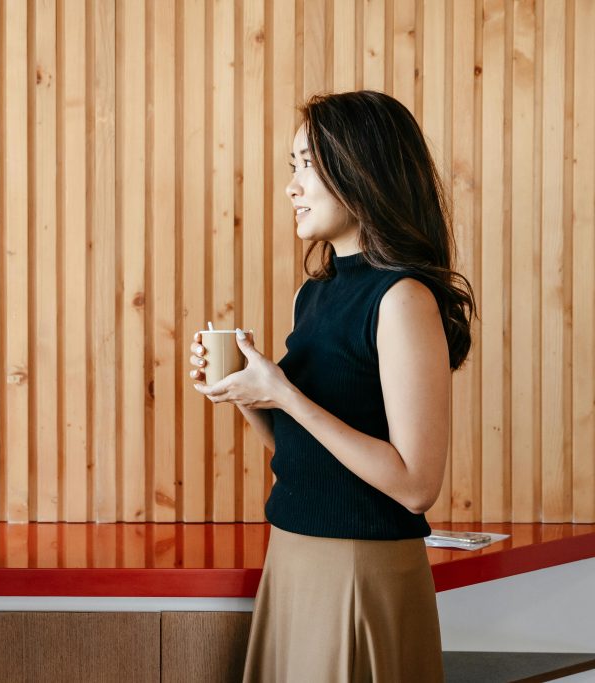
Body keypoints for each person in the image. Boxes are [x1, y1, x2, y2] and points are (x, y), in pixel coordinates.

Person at [190, 90, 475, 682]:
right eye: (291, 167)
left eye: (309, 167)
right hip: (293, 554)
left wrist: (287, 393)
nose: (292, 186)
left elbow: (417, 485)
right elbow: (310, 454)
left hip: (360, 570)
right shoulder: (312, 293)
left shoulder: (401, 298)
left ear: (362, 172)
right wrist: (251, 392)